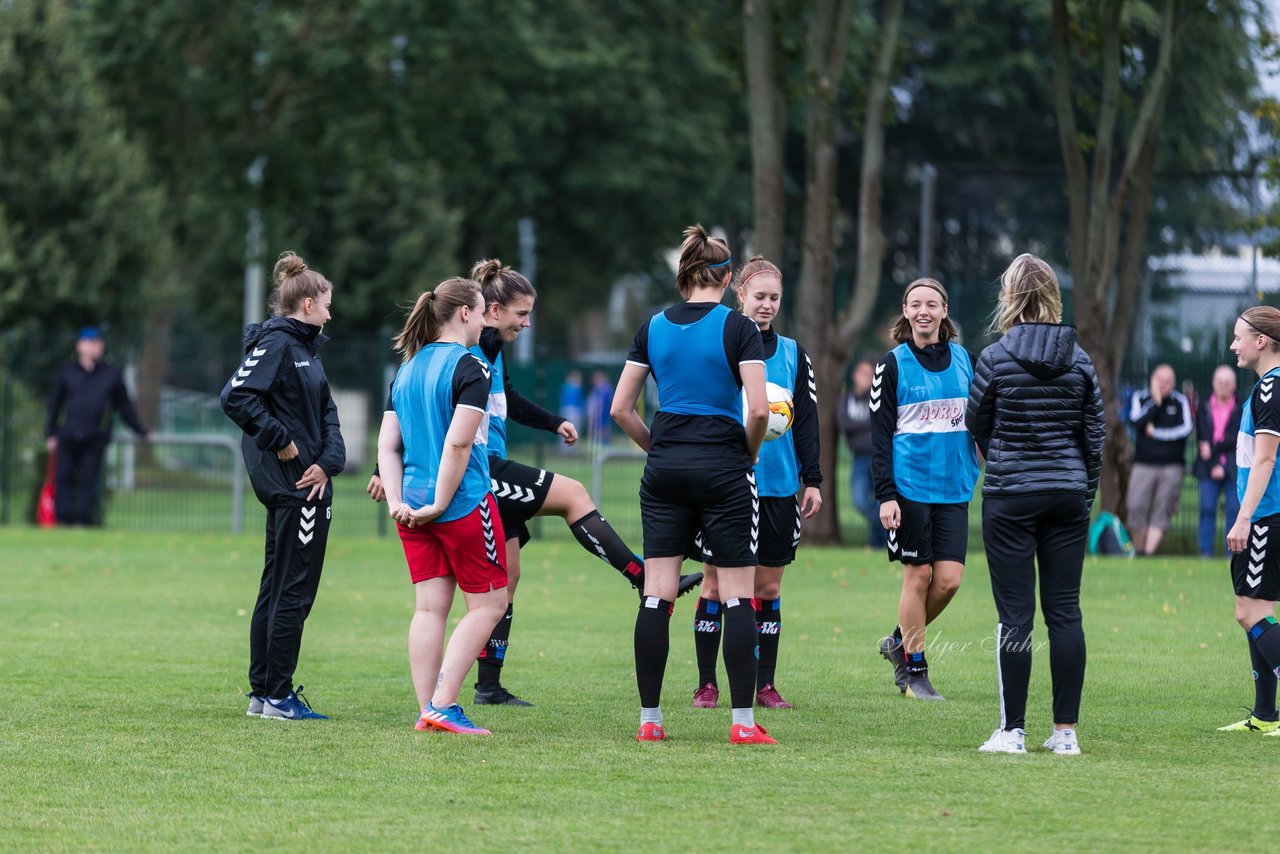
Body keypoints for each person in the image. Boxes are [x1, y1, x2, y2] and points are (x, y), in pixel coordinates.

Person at [365, 259, 700, 707]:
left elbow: (416, 419)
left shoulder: (418, 365)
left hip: (431, 489)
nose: (525, 323)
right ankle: (640, 575)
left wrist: (553, 421)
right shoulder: (472, 352)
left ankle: (474, 690)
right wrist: (419, 485)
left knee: (494, 581)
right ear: (485, 311)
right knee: (567, 502)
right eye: (519, 314)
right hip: (472, 481)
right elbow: (454, 435)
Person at [612, 225, 776, 745]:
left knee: (657, 595)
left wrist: (657, 449)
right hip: (724, 468)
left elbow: (620, 408)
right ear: (728, 279)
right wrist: (746, 456)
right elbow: (757, 409)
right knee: (735, 596)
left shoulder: (652, 327)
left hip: (665, 470)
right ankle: (743, 725)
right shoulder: (739, 328)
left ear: (682, 275)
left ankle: (651, 722)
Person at [967, 253, 1103, 755]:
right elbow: (1094, 436)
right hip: (1067, 494)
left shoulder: (995, 357)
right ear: (1052, 295)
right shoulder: (1081, 358)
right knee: (1065, 611)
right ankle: (1065, 733)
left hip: (1011, 494)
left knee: (1016, 616)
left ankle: (1012, 731)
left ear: (1010, 296)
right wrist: (1082, 495)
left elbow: (976, 421)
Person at [378, 278, 509, 735]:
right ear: (466, 315)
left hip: (411, 508)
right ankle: (444, 703)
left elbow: (387, 447)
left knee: (429, 609)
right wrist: (438, 504)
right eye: (482, 310)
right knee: (490, 604)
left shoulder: (407, 369)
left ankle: (428, 708)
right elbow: (458, 443)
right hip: (461, 504)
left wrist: (397, 500)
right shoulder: (472, 365)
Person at [690, 256, 822, 711]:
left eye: (774, 298)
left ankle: (765, 685)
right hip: (725, 485)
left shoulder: (792, 353)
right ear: (739, 295)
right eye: (759, 296)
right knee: (714, 584)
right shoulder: (722, 343)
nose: (766, 305)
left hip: (779, 488)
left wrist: (814, 479)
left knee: (767, 589)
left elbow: (806, 421)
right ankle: (706, 684)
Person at [221, 252, 345, 721]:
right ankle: (277, 695)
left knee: (277, 588)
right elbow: (235, 396)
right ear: (308, 304)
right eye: (328, 305)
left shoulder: (306, 351)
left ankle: (262, 694)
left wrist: (328, 463)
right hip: (296, 491)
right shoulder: (278, 345)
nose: (331, 314)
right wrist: (282, 443)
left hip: (311, 482)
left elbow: (328, 414)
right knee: (291, 592)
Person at [872, 278, 979, 702]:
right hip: (909, 488)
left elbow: (980, 421)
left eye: (931, 304)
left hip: (954, 486)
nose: (923, 311)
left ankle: (899, 641)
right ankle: (915, 671)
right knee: (917, 577)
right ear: (904, 310)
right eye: (915, 304)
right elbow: (879, 436)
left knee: (949, 581)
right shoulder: (893, 364)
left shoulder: (965, 361)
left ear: (944, 311)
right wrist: (885, 494)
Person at [1218, 308, 1280, 735]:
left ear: (1261, 341)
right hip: (1267, 515)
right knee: (1261, 611)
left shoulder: (1269, 390)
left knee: (1248, 611)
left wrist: (1244, 519)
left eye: (1239, 337)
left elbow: (1265, 459)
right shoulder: (1267, 387)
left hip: (1264, 516)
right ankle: (1264, 715)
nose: (1233, 345)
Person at [45, 326, 151, 525]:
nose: (97, 347)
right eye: (91, 343)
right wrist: (50, 433)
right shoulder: (67, 372)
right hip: (67, 435)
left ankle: (83, 520)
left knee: (88, 480)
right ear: (80, 346)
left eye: (99, 343)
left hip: (95, 437)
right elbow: (55, 404)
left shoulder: (111, 374)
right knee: (64, 478)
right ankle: (62, 520)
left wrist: (140, 430)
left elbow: (124, 406)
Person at [1126, 363, 1193, 556]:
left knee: (1162, 509)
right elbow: (1136, 422)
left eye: (1168, 382)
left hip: (1172, 466)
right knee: (1135, 505)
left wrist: (1156, 433)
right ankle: (1139, 550)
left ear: (1173, 383)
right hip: (1143, 463)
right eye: (1160, 381)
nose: (1164, 385)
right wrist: (1155, 403)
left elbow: (1185, 430)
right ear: (1152, 381)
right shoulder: (1140, 397)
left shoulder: (1180, 401)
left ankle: (1147, 553)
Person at [1194, 365, 1241, 557]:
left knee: (1233, 510)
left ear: (1234, 385)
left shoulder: (1241, 407)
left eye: (1227, 382)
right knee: (1206, 509)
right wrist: (1213, 464)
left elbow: (1235, 438)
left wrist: (1212, 449)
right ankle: (1206, 552)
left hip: (1233, 467)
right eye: (1220, 382)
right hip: (1207, 467)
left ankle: (1231, 552)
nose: (1224, 386)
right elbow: (1201, 437)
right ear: (1214, 383)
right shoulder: (1203, 407)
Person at [837, 359, 884, 548]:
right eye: (862, 373)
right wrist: (867, 425)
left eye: (869, 374)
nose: (865, 378)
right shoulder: (846, 399)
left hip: (879, 457)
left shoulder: (876, 398)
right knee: (860, 502)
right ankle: (886, 531)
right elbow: (843, 424)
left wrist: (860, 427)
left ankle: (877, 544)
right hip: (859, 459)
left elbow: (879, 422)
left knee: (882, 499)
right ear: (854, 375)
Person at [559, 370, 585, 452]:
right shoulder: (573, 387)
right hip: (573, 410)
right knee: (572, 428)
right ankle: (568, 447)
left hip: (568, 410)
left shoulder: (567, 387)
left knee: (567, 429)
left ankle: (570, 447)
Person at [587, 370, 615, 444]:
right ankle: (598, 442)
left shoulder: (606, 388)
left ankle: (606, 443)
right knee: (597, 429)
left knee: (604, 428)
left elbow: (605, 402)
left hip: (604, 412)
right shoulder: (596, 389)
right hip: (597, 413)